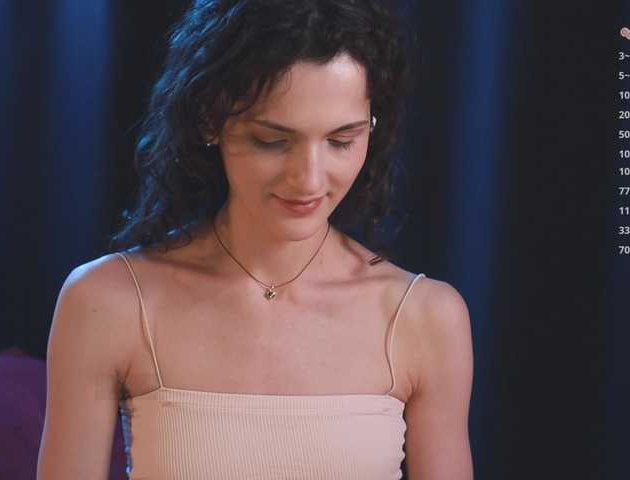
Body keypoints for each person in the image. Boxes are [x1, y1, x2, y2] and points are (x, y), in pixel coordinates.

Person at [37, 0, 474, 479]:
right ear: (210, 120)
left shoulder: (425, 317)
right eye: (272, 140)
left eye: (341, 140)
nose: (309, 179)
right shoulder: (108, 301)